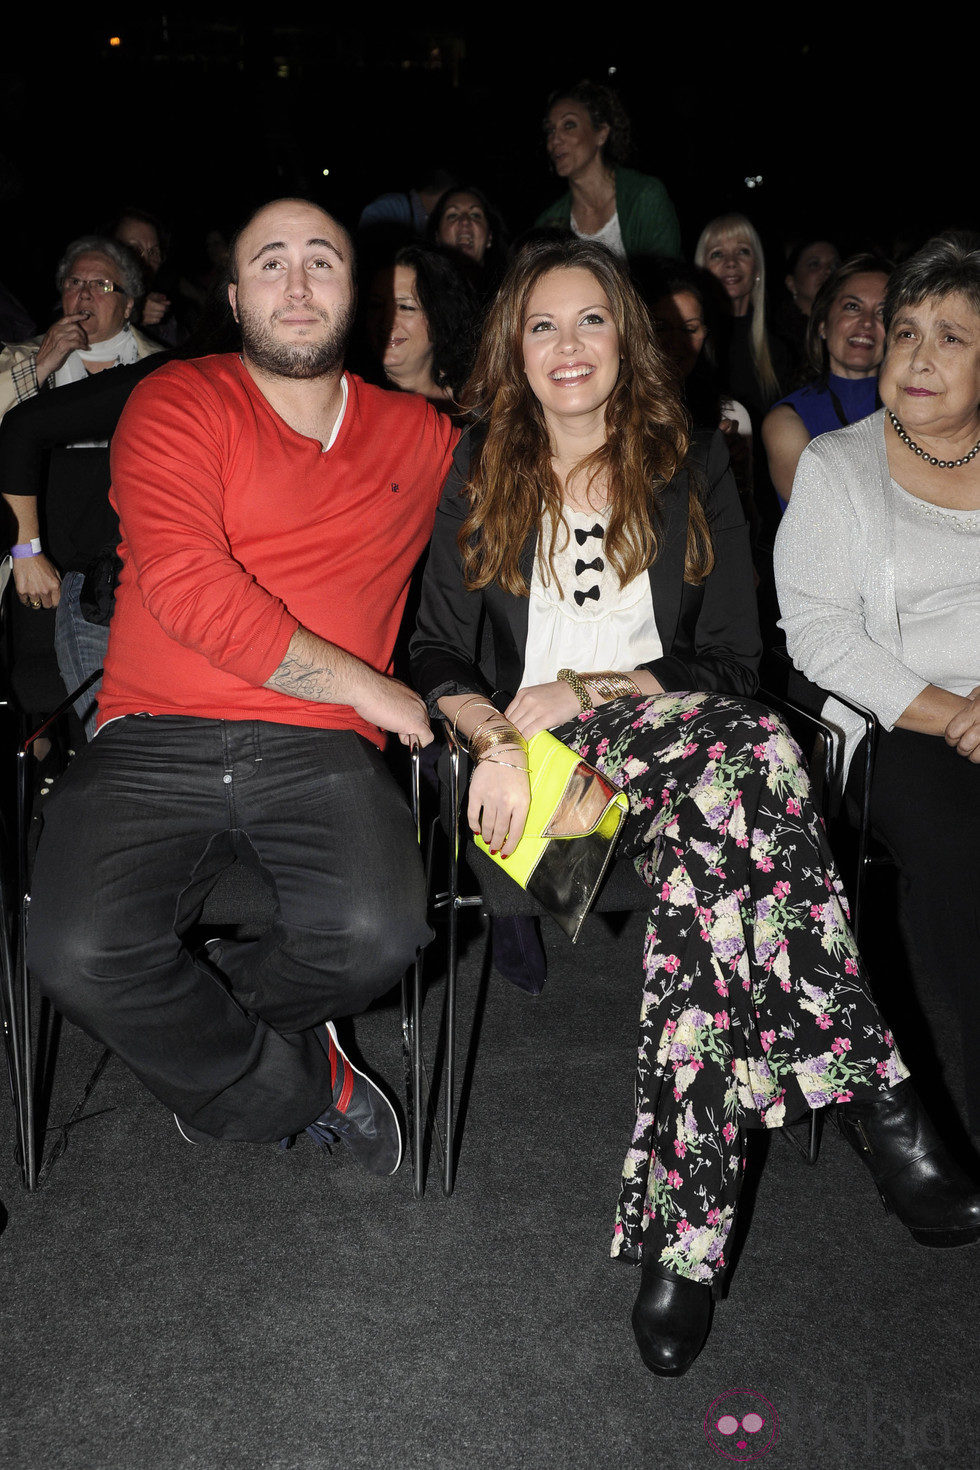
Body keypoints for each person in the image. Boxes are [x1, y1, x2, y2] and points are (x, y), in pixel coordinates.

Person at [410, 235, 980, 1377]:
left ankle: (685, 1236)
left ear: (625, 339)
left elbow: (725, 661)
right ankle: (871, 1096)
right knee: (758, 770)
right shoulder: (477, 466)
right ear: (513, 350)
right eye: (541, 326)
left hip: (681, 758)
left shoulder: (690, 466)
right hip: (538, 796)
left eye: (589, 323)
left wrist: (579, 687)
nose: (566, 348)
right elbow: (432, 648)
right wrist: (500, 738)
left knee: (732, 803)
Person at [27, 198, 458, 1175]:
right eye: (271, 262)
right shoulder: (180, 399)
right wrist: (379, 691)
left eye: (322, 262)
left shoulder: (422, 437)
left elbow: (536, 501)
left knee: (377, 933)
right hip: (153, 733)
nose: (297, 284)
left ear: (359, 300)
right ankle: (303, 1086)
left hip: (316, 744)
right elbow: (188, 591)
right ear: (232, 294)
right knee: (75, 953)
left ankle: (209, 1042)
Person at [774, 231, 980, 1149]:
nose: (919, 358)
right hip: (894, 720)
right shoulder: (837, 467)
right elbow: (820, 638)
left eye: (952, 337)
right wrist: (957, 716)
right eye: (906, 333)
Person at [0, 235, 163, 732]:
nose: (86, 294)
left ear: (130, 303)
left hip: (129, 560)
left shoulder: (165, 366)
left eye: (102, 284)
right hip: (38, 554)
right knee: (40, 685)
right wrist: (41, 366)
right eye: (75, 283)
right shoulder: (16, 359)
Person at [763, 255, 891, 509]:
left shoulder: (916, 410)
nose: (867, 322)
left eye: (883, 312)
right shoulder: (787, 419)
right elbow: (822, 517)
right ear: (823, 324)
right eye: (852, 307)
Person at [536, 80, 681, 264]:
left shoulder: (645, 196)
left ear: (601, 133)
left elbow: (669, 280)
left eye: (569, 125)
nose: (555, 140)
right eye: (550, 130)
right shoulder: (548, 222)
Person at [694, 214, 789, 423]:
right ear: (701, 268)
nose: (731, 262)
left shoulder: (780, 351)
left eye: (742, 251)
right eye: (717, 254)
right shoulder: (689, 344)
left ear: (757, 269)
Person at [364, 244, 478, 407]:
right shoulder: (348, 398)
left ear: (440, 316)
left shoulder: (473, 410)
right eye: (376, 305)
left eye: (406, 307)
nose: (386, 321)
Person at [426, 184, 510, 295]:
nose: (465, 220)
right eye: (453, 215)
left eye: (475, 215)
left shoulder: (507, 295)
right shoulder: (420, 292)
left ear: (489, 237)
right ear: (437, 237)